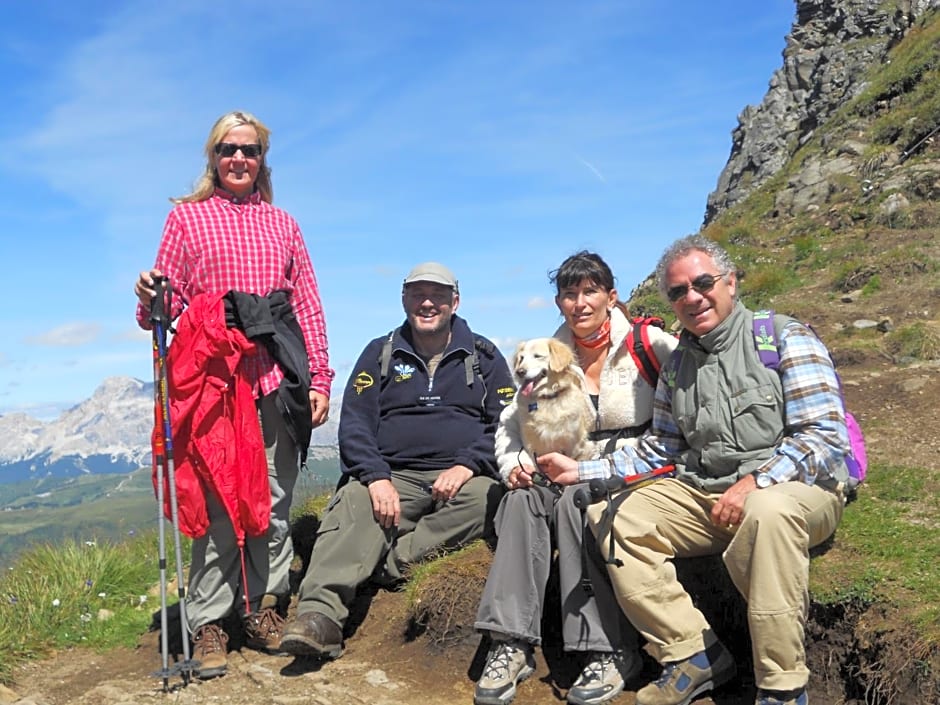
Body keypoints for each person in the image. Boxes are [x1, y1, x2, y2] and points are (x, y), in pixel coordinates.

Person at [538, 235, 849, 705]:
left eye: (702, 283)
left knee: (766, 512)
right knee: (614, 516)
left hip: (796, 492)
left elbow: (826, 436)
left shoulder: (781, 337)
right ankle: (692, 654)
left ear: (730, 281)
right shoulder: (678, 363)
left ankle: (782, 686)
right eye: (678, 291)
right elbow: (659, 449)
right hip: (709, 494)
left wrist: (757, 481)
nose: (692, 297)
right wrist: (580, 472)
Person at [133, 110, 333, 679]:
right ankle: (212, 620)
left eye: (249, 150)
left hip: (275, 373)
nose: (239, 159)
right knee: (219, 498)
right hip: (213, 377)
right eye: (228, 149)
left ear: (262, 159)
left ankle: (264, 608)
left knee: (271, 498)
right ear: (213, 158)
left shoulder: (285, 225)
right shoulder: (186, 221)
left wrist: (320, 378)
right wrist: (150, 293)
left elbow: (308, 306)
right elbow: (163, 311)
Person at [280, 261, 515, 658]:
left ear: (454, 302)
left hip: (462, 479)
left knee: (488, 498)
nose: (427, 303)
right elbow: (354, 425)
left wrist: (468, 465)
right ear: (404, 299)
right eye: (417, 294)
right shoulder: (380, 352)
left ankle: (388, 563)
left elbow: (505, 422)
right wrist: (375, 477)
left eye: (438, 295)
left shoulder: (485, 356)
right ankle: (319, 617)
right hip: (394, 475)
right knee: (355, 502)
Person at [473, 252, 678, 705]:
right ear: (559, 302)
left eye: (590, 291)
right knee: (520, 503)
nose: (580, 303)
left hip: (631, 467)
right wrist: (512, 466)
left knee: (576, 502)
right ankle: (510, 643)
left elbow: (699, 363)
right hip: (559, 465)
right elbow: (512, 421)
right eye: (570, 294)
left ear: (611, 296)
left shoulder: (648, 344)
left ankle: (609, 649)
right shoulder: (548, 353)